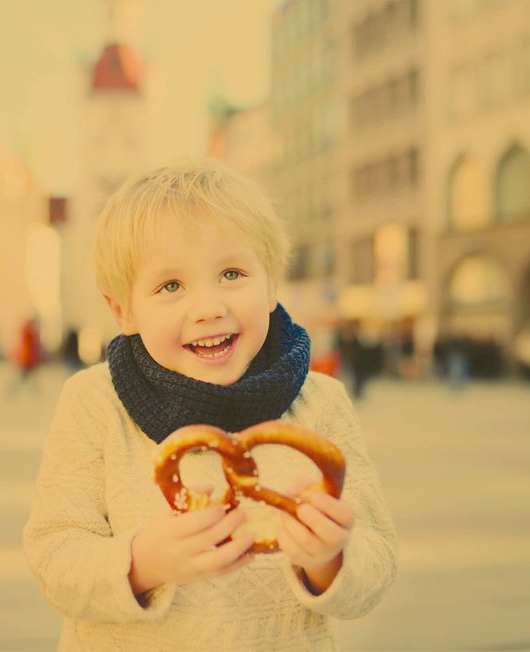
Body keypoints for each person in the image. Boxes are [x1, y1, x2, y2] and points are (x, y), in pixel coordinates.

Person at [22, 160, 397, 650]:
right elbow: (54, 554)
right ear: (123, 310)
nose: (208, 307)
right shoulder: (95, 403)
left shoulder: (321, 402)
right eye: (171, 286)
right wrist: (142, 563)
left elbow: (378, 556)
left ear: (271, 286)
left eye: (232, 273)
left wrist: (329, 558)